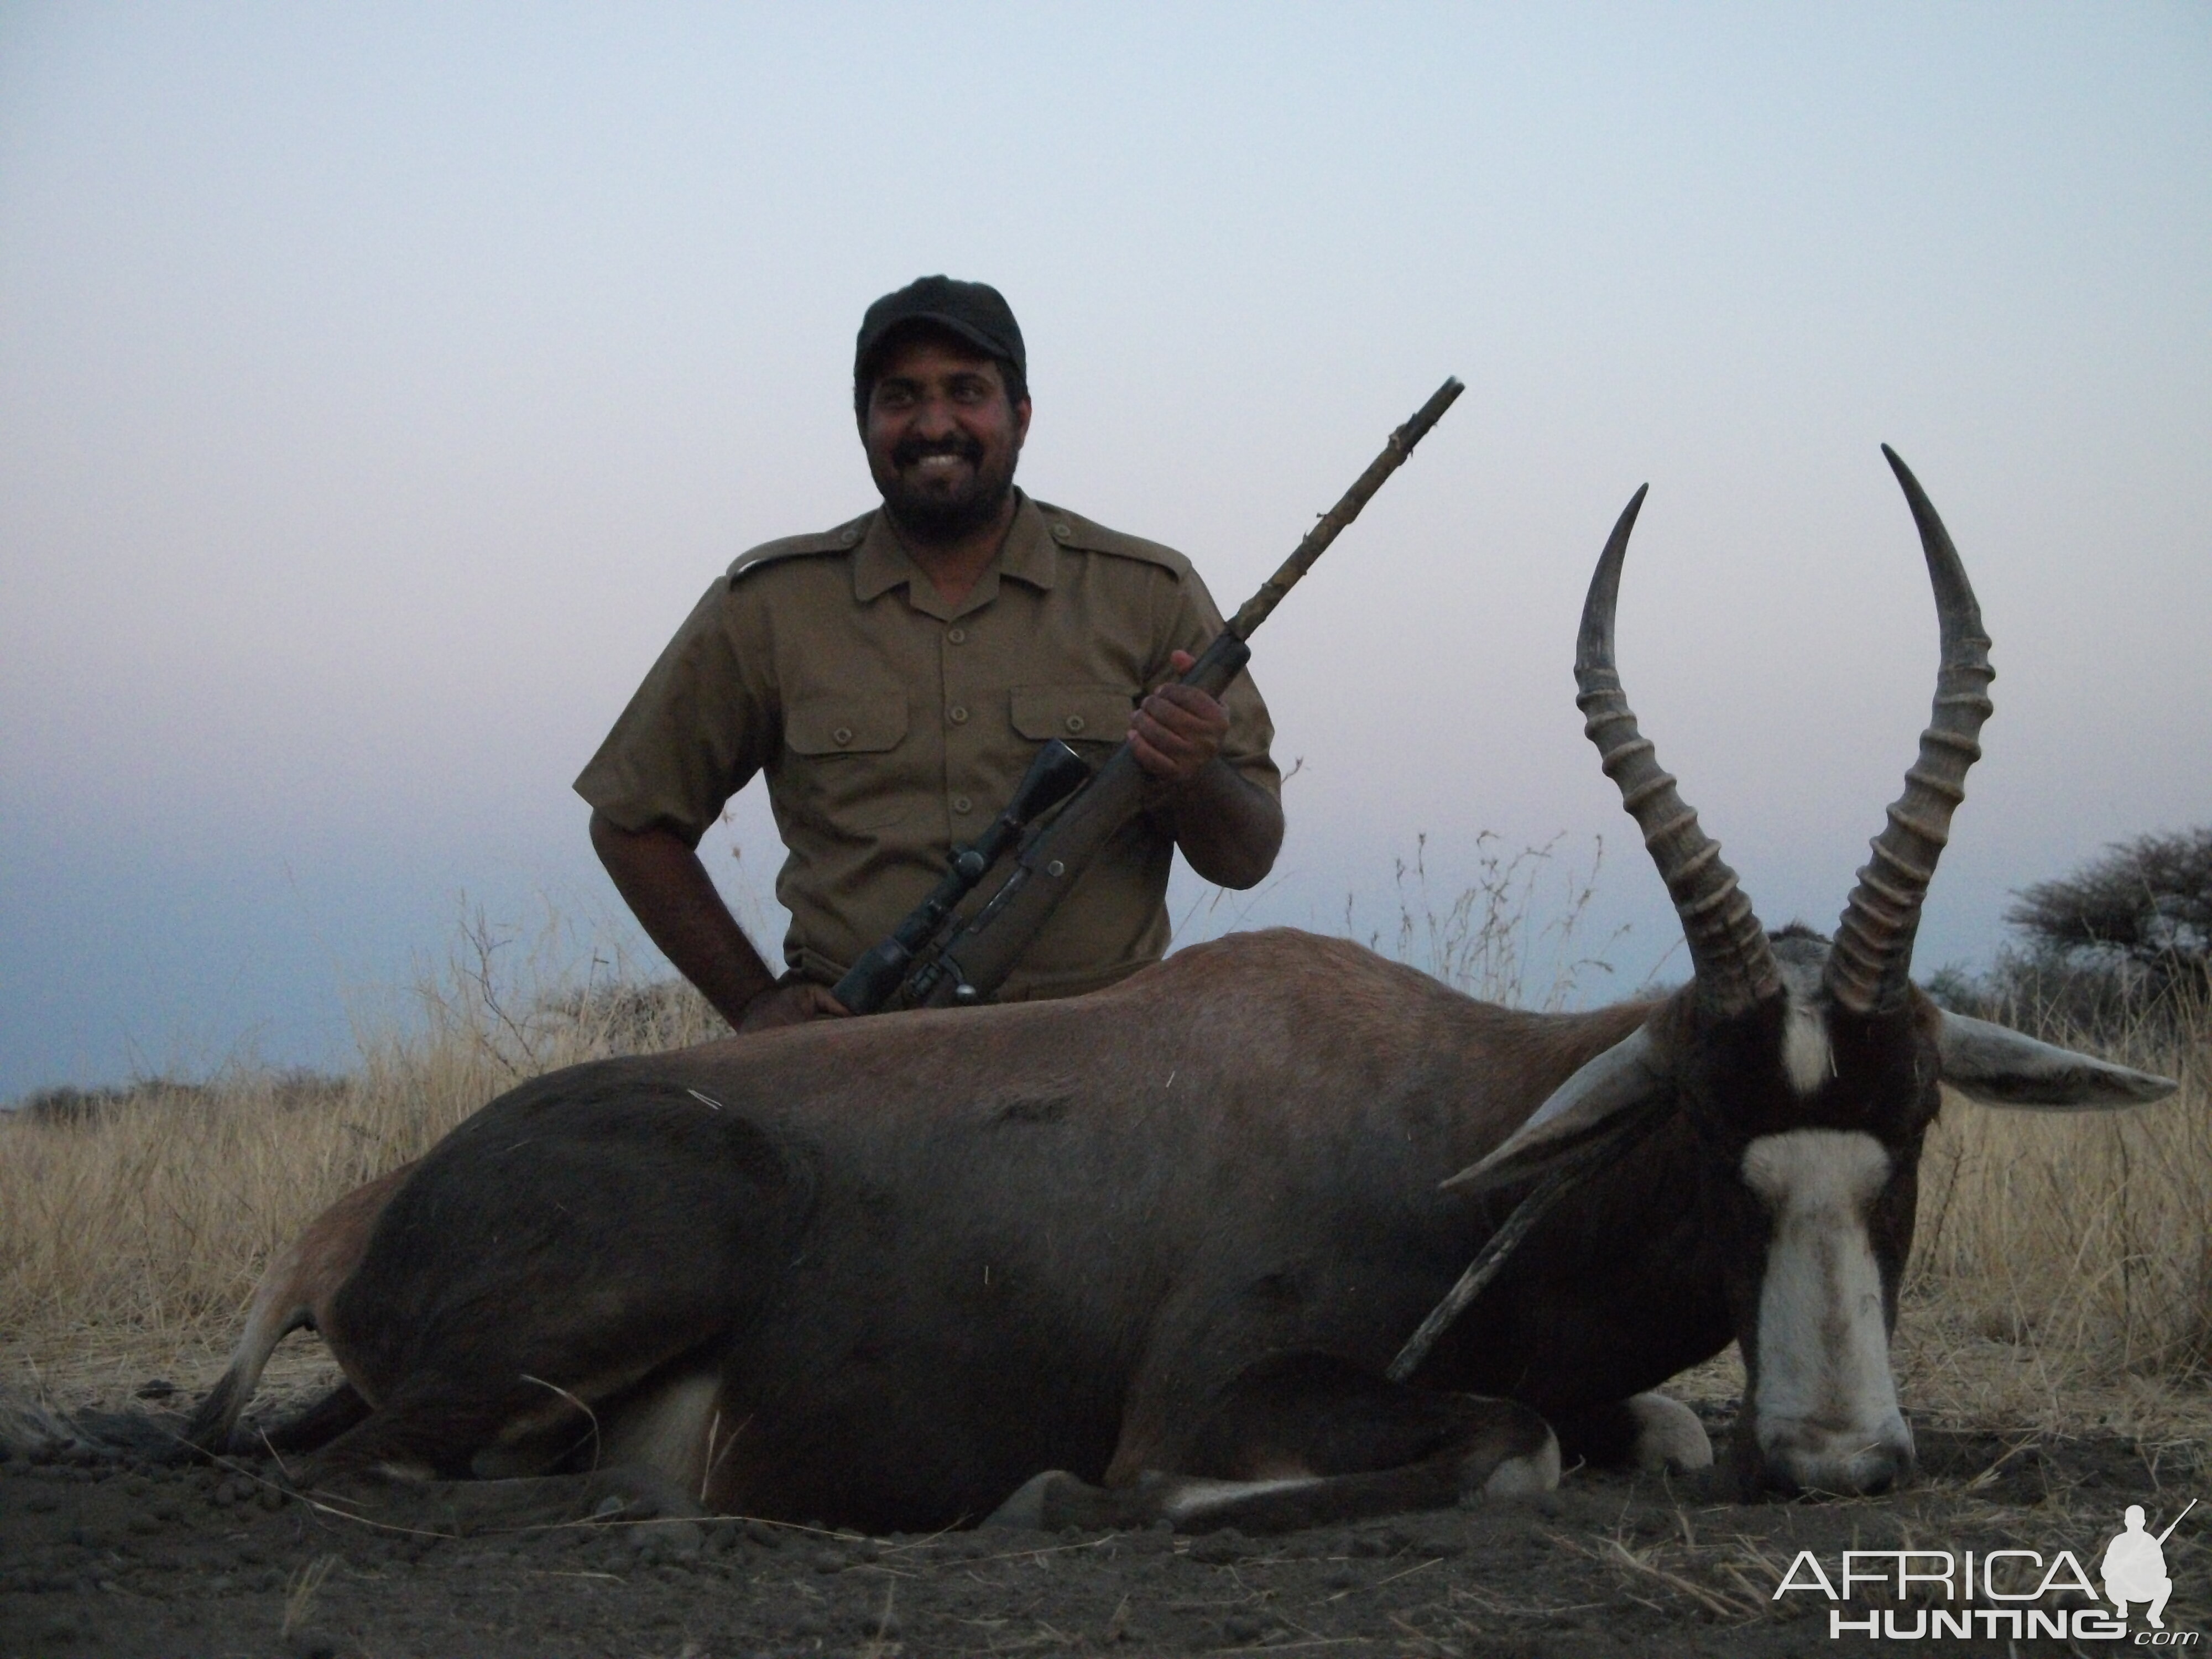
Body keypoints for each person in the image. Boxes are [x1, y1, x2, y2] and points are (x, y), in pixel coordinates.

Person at [576, 276, 1284, 1032]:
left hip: (1102, 1064)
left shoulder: (1147, 594)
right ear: (864, 423)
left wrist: (1194, 769)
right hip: (860, 1058)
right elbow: (631, 823)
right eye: (901, 396)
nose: (934, 423)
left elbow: (1244, 859)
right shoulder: (770, 604)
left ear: (1020, 417)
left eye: (966, 391)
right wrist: (754, 1003)